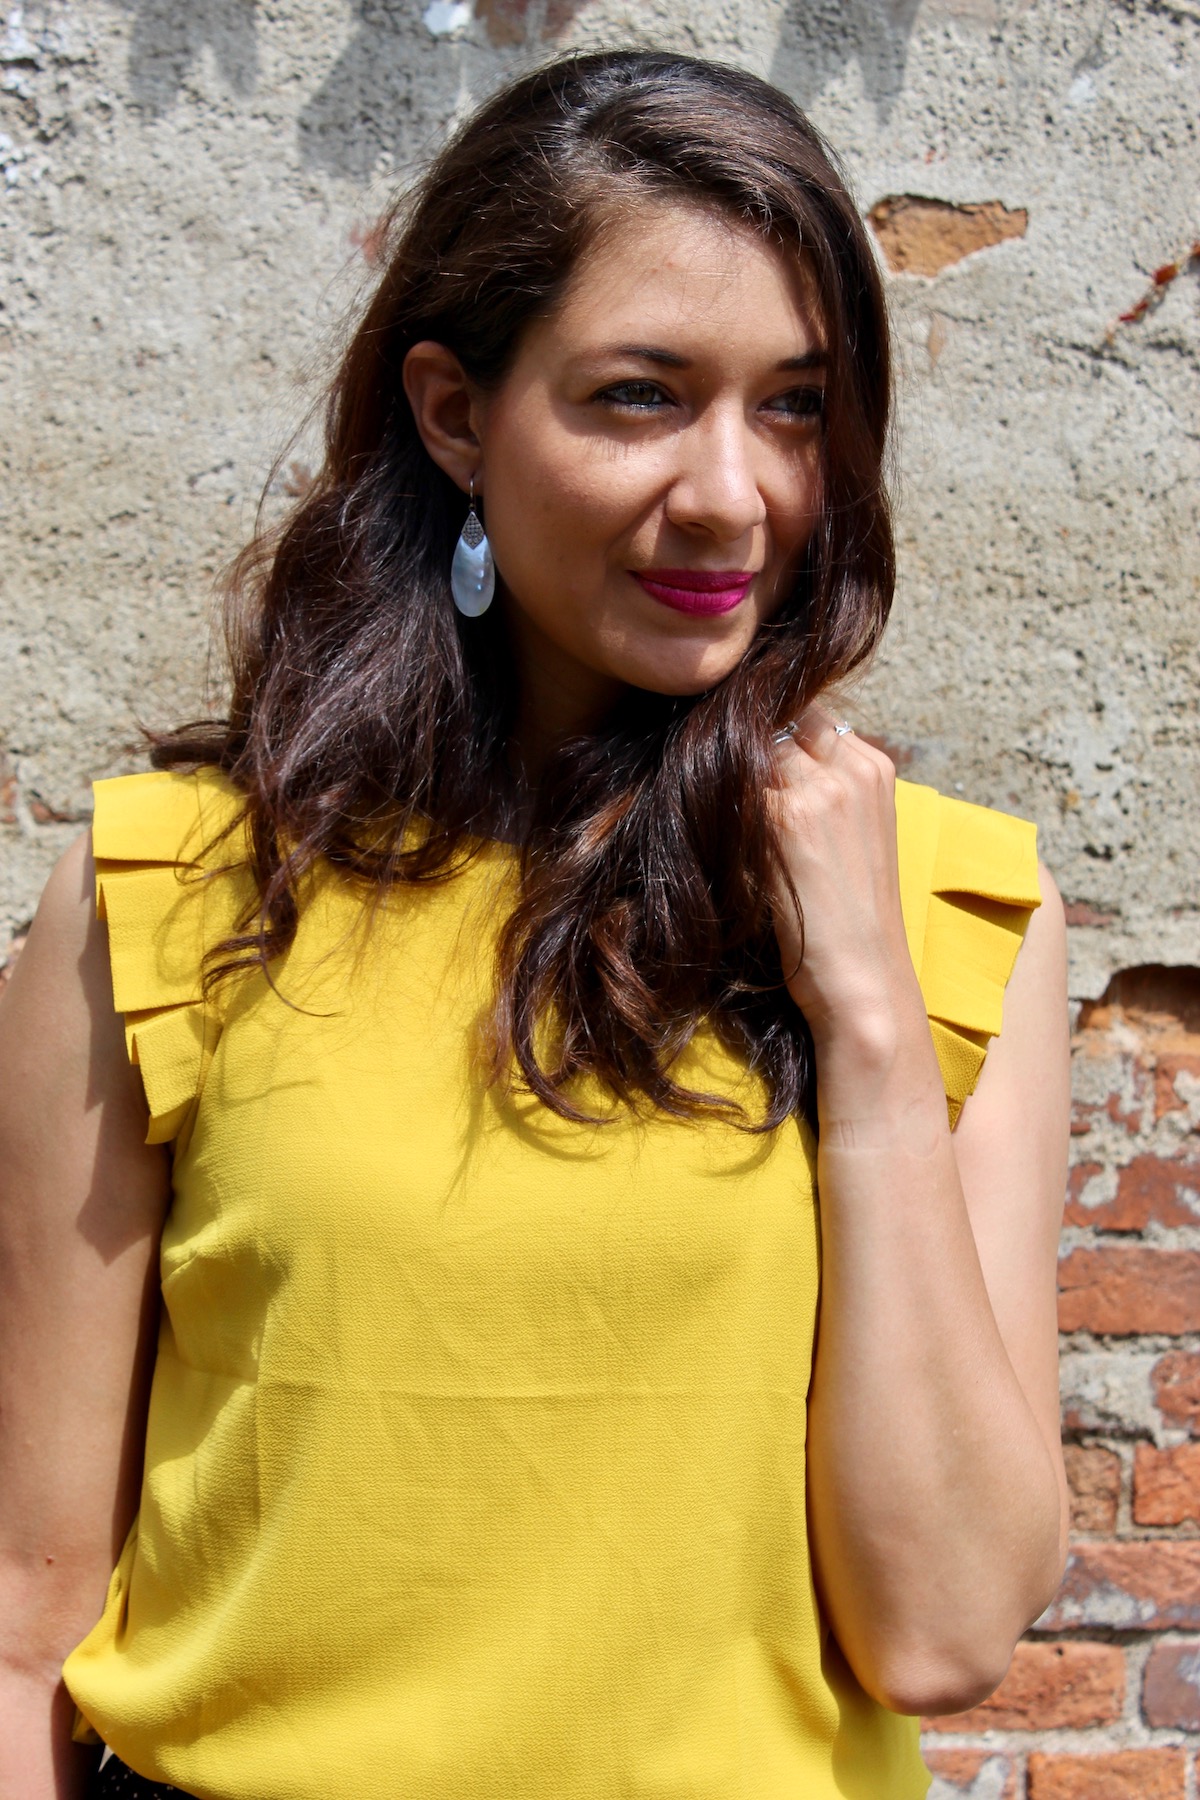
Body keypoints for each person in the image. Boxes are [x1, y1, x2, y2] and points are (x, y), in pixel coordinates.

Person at [0, 48, 1071, 1800]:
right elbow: (22, 1624)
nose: (731, 494)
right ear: (453, 415)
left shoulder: (945, 915)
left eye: (796, 406)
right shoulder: (169, 893)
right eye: (641, 396)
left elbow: (947, 1634)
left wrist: (869, 1026)